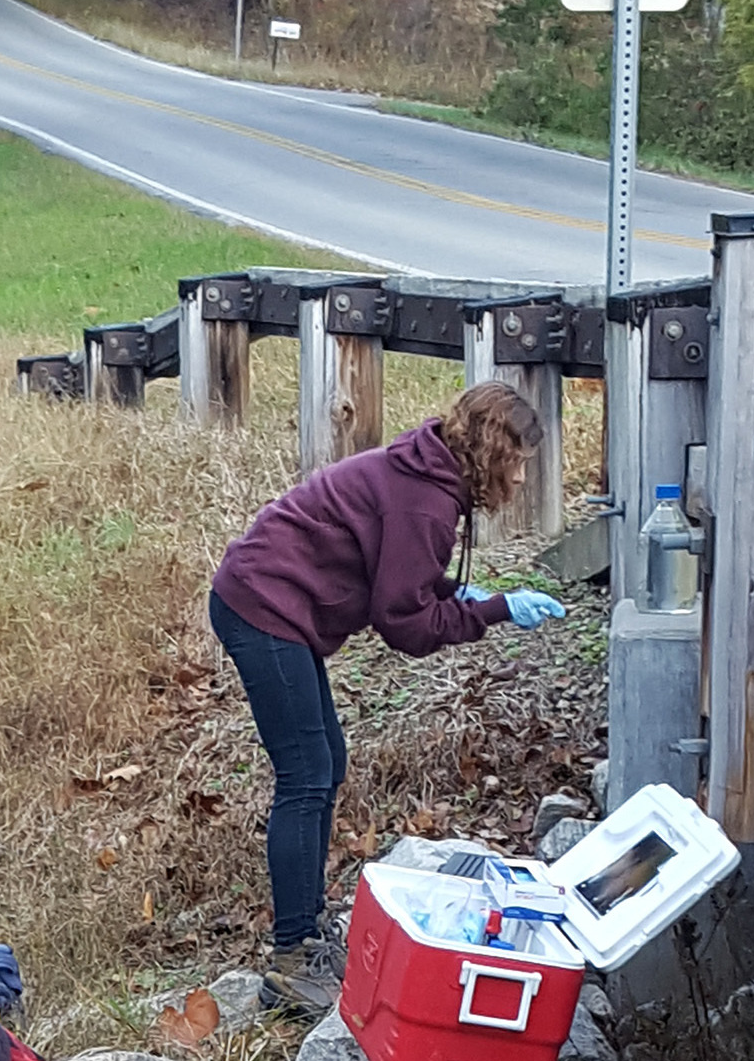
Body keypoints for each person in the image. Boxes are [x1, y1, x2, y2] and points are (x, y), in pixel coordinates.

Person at [209, 380, 568, 1013]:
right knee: (306, 774)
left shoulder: (426, 470)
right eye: (518, 462)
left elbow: (402, 574)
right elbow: (404, 625)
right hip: (263, 605)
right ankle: (294, 955)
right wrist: (491, 610)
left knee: (327, 764)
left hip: (277, 603)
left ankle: (311, 931)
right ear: (493, 453)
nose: (520, 478)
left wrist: (452, 592)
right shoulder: (426, 502)